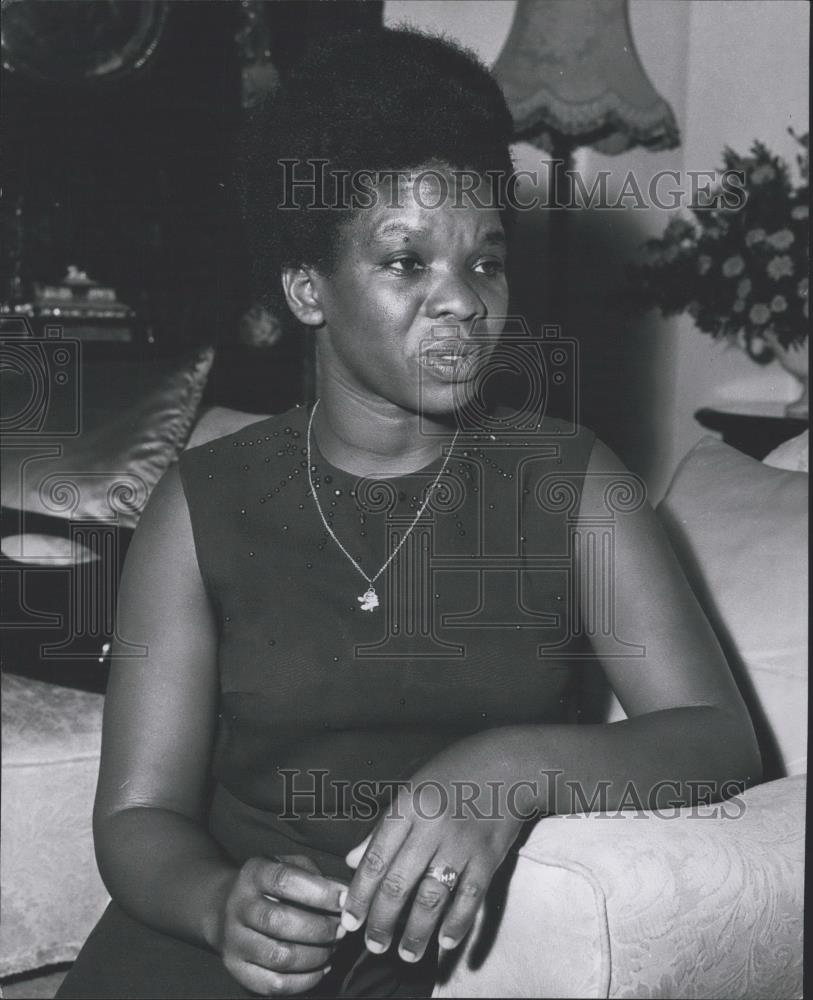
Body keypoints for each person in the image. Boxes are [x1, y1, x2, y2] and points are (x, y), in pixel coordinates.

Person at [58, 26, 761, 1000]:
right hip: (209, 951)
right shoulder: (201, 503)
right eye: (406, 262)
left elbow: (716, 737)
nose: (463, 302)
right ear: (309, 288)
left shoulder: (568, 482)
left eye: (485, 262)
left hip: (440, 963)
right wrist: (220, 902)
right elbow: (137, 816)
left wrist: (512, 768)